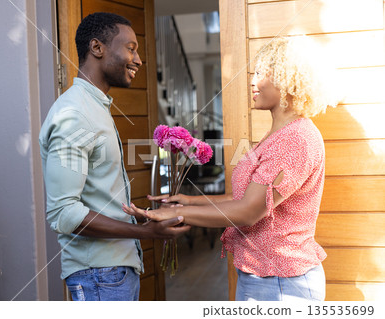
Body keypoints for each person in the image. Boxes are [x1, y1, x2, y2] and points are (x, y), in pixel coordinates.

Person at [123, 37, 339, 301]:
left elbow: (248, 211)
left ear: (287, 80)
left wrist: (179, 213)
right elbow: (246, 198)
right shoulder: (279, 134)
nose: (252, 80)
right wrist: (189, 201)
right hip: (267, 278)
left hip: (281, 282)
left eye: (261, 73)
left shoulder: (295, 139)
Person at [39, 12, 190, 301]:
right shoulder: (75, 115)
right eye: (131, 48)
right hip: (99, 274)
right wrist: (147, 233)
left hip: (111, 273)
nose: (139, 60)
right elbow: (64, 213)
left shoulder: (94, 108)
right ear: (97, 48)